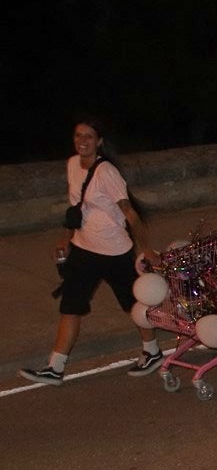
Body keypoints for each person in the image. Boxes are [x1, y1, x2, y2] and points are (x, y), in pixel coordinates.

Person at [20, 119, 164, 387]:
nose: (82, 140)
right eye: (77, 135)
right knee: (71, 306)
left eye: (88, 136)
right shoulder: (73, 164)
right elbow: (76, 207)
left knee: (134, 305)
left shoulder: (106, 172)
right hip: (84, 249)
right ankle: (55, 367)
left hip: (115, 252)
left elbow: (130, 213)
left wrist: (146, 250)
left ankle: (152, 351)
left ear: (99, 141)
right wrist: (66, 239)